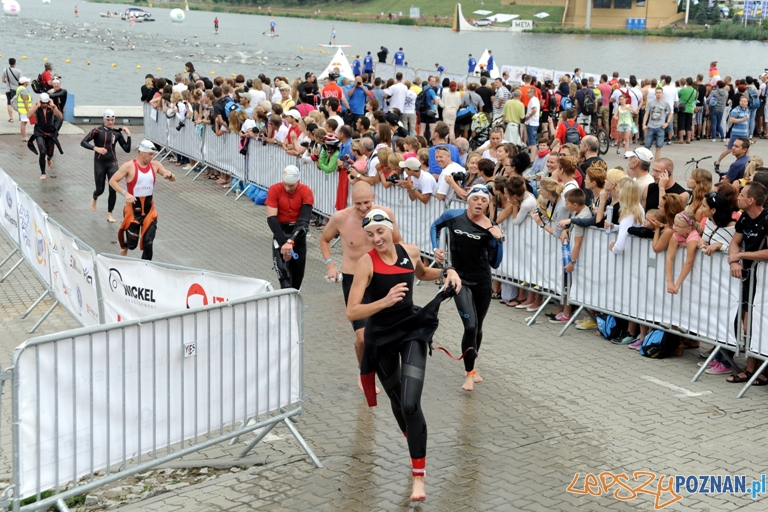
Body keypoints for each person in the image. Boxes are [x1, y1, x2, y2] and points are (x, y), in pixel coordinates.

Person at [346, 209, 461, 503]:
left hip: (411, 331)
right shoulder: (365, 263)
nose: (376, 239)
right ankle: (415, 440)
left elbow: (424, 273)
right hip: (381, 336)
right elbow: (352, 311)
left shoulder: (408, 251)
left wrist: (447, 272)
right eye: (370, 235)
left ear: (391, 229)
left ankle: (418, 479)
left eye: (380, 232)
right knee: (397, 400)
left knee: (411, 403)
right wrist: (383, 301)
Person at [320, 182, 401, 393]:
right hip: (354, 279)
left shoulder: (385, 214)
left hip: (381, 278)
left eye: (367, 202)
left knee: (383, 333)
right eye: (358, 203)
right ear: (351, 201)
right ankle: (364, 370)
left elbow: (399, 243)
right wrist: (330, 264)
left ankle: (384, 368)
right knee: (363, 337)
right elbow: (325, 240)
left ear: (373, 197)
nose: (363, 207)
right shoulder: (341, 218)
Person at [431, 185, 504, 391]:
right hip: (460, 280)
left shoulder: (491, 227)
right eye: (476, 199)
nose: (479, 203)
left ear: (487, 204)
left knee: (478, 327)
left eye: (483, 200)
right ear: (468, 201)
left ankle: (471, 364)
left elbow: (495, 263)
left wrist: (498, 240)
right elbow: (435, 226)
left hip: (482, 282)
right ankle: (469, 373)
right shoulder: (453, 216)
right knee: (470, 326)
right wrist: (436, 249)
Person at [109, 139, 176, 260]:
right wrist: (125, 193)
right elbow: (112, 181)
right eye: (150, 154)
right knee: (131, 245)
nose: (152, 156)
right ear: (141, 152)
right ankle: (124, 250)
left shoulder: (155, 165)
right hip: (133, 211)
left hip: (149, 210)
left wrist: (169, 175)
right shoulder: (129, 166)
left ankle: (145, 271)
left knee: (148, 243)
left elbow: (173, 178)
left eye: (153, 154)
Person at [265, 165, 314, 289]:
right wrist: (284, 244)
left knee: (296, 284)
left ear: (298, 181)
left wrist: (291, 241)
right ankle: (285, 306)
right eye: (285, 184)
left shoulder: (306, 191)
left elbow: (304, 221)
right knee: (285, 283)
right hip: (281, 232)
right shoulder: (274, 189)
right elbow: (271, 219)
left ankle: (294, 307)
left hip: (298, 234)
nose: (287, 188)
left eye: (291, 186)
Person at [81, 109, 132, 222]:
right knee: (100, 189)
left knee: (113, 188)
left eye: (112, 120)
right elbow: (83, 142)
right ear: (104, 119)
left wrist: (129, 135)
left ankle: (110, 214)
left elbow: (127, 149)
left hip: (112, 163)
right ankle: (95, 197)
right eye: (108, 120)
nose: (110, 122)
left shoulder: (117, 133)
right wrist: (96, 148)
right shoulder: (97, 130)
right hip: (100, 163)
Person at [25, 93, 63, 180]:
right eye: (43, 103)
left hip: (50, 132)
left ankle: (49, 159)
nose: (44, 105)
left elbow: (60, 116)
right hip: (39, 132)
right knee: (42, 152)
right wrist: (37, 105)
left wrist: (53, 106)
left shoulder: (51, 107)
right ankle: (43, 172)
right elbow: (28, 115)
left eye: (46, 103)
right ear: (40, 101)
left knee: (50, 153)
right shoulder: (37, 107)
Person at [715, 95, 750, 174]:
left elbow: (747, 122)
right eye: (742, 101)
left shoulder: (747, 110)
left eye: (745, 101)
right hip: (736, 133)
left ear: (747, 102)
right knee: (729, 149)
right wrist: (743, 119)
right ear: (739, 102)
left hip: (744, 133)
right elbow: (731, 120)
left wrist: (748, 132)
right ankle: (718, 161)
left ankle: (745, 165)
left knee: (746, 150)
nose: (743, 103)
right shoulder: (736, 110)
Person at [643, 86, 673, 161]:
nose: (658, 94)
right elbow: (646, 113)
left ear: (662, 94)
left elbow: (670, 113)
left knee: (658, 147)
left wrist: (667, 123)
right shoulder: (651, 103)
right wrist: (644, 124)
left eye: (660, 93)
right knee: (647, 147)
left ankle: (657, 162)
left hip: (660, 127)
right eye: (657, 93)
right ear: (655, 93)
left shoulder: (665, 103)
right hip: (651, 127)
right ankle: (647, 162)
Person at [2, 58, 21, 123]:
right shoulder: (18, 71)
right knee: (18, 103)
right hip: (17, 89)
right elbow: (21, 81)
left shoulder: (5, 70)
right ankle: (20, 117)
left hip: (8, 89)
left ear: (9, 63)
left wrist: (8, 82)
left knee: (9, 103)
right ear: (15, 63)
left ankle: (11, 118)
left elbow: (3, 80)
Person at [15, 76, 32, 142]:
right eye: (27, 81)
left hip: (22, 109)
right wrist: (28, 111)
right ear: (24, 83)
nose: (28, 82)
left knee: (24, 123)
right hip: (24, 110)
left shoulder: (19, 88)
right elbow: (25, 101)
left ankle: (24, 136)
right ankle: (24, 137)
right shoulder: (23, 90)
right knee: (23, 123)